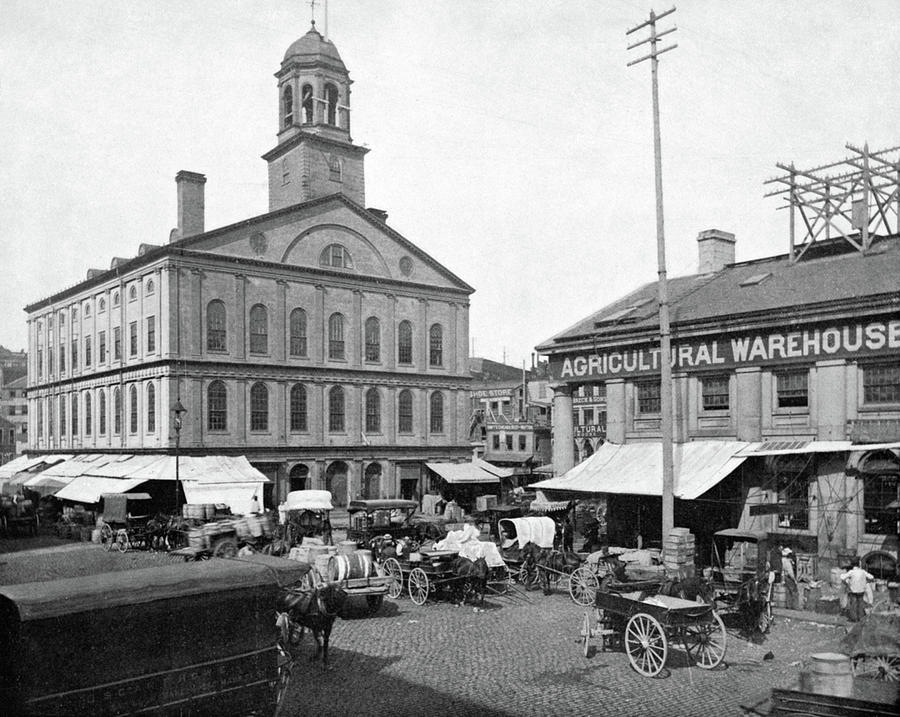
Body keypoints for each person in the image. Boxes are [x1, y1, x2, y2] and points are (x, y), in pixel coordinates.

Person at [841, 557, 874, 622]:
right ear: (859, 564)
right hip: (861, 591)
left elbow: (842, 577)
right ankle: (860, 618)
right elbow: (871, 577)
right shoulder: (863, 572)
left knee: (853, 605)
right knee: (860, 604)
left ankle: (854, 618)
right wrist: (866, 582)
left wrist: (847, 582)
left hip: (853, 591)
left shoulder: (851, 572)